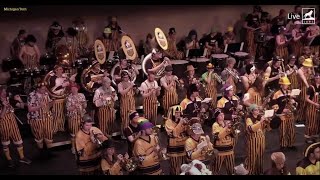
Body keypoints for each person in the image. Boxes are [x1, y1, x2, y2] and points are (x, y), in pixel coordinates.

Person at [0, 86, 32, 168]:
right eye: (3, 92)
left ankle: (22, 157)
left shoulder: (9, 99)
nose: (5, 93)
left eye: (5, 91)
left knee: (19, 141)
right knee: (5, 143)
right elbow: (1, 116)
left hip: (13, 122)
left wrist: (20, 100)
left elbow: (23, 106)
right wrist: (4, 106)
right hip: (3, 123)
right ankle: (9, 159)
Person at [271, 76, 297, 151]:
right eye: (286, 84)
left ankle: (291, 144)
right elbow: (274, 106)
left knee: (291, 130)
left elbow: (294, 102)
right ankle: (283, 145)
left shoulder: (289, 92)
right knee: (283, 130)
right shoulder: (277, 94)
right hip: (281, 115)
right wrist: (282, 110)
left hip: (290, 114)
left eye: (287, 84)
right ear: (281, 85)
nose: (287, 86)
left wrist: (293, 102)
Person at [27, 82, 54, 151]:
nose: (44, 91)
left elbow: (49, 105)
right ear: (37, 89)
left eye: (45, 89)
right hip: (37, 119)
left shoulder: (46, 93)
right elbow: (30, 109)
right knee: (39, 135)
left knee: (49, 134)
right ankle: (41, 151)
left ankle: (49, 151)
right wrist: (40, 106)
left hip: (47, 117)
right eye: (42, 89)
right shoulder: (31, 95)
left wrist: (52, 102)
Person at [165, 106, 188, 175]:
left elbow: (187, 132)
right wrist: (180, 123)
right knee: (174, 165)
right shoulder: (168, 122)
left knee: (183, 165)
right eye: (176, 112)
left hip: (182, 145)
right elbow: (174, 134)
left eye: (179, 112)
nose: (178, 114)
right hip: (173, 146)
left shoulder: (182, 120)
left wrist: (187, 124)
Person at [244, 104, 267, 175]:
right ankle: (250, 172)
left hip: (261, 139)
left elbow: (266, 128)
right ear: (252, 111)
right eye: (256, 110)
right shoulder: (249, 119)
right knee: (252, 157)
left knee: (260, 156)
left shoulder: (260, 117)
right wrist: (260, 122)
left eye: (258, 110)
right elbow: (251, 129)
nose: (258, 111)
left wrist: (267, 122)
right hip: (252, 140)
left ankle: (259, 171)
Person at [211, 110, 235, 175]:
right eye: (220, 115)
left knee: (231, 169)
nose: (222, 116)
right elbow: (218, 137)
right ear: (217, 117)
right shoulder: (215, 125)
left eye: (223, 114)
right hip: (219, 151)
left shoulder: (227, 123)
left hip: (229, 150)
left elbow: (233, 135)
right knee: (216, 168)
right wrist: (226, 128)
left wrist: (233, 129)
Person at [66, 82, 87, 154]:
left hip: (81, 116)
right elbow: (68, 108)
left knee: (82, 132)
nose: (74, 90)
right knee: (74, 133)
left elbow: (85, 105)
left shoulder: (82, 95)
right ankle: (74, 147)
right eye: (72, 88)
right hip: (73, 117)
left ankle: (81, 147)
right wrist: (75, 106)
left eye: (75, 88)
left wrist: (83, 104)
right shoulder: (69, 97)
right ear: (70, 89)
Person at [118, 71, 137, 136]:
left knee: (134, 118)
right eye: (124, 77)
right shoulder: (120, 84)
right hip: (124, 104)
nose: (126, 79)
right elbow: (122, 93)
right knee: (125, 119)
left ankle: (133, 133)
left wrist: (135, 89)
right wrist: (130, 87)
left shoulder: (131, 83)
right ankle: (124, 134)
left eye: (127, 77)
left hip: (131, 102)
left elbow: (136, 93)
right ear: (122, 78)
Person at [304, 73, 320, 144]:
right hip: (312, 107)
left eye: (319, 78)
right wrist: (314, 103)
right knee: (311, 122)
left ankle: (314, 137)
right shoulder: (311, 87)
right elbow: (306, 98)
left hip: (318, 106)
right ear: (315, 79)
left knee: (316, 122)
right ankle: (308, 137)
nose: (318, 80)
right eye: (317, 78)